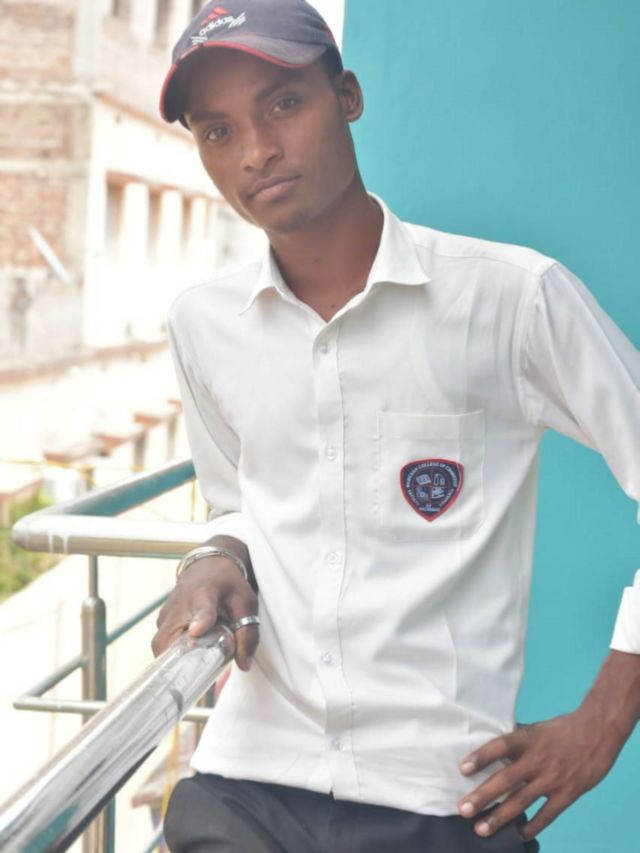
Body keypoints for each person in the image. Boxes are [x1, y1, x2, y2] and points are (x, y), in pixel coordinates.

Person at [152, 1, 640, 850]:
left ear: (347, 96)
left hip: (441, 797)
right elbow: (238, 502)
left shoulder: (510, 298)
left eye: (283, 104)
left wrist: (607, 715)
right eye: (217, 131)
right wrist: (212, 557)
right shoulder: (203, 322)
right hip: (246, 784)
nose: (256, 151)